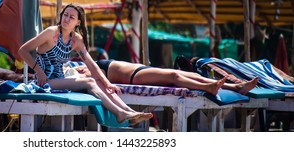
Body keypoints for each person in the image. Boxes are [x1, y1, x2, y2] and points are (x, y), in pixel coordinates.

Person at [18, 3, 153, 126]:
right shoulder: (51, 33)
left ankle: (128, 111)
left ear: (77, 22)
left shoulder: (75, 39)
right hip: (45, 82)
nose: (66, 19)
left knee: (96, 81)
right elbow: (23, 50)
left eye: (71, 17)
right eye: (65, 15)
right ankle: (119, 113)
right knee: (89, 82)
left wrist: (108, 83)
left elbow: (91, 64)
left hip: (59, 79)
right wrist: (38, 70)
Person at [76, 59, 259, 96]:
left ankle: (236, 87)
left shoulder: (86, 62)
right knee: (173, 75)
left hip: (141, 69)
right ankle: (207, 88)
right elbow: (88, 78)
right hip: (134, 76)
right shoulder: (81, 70)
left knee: (194, 74)